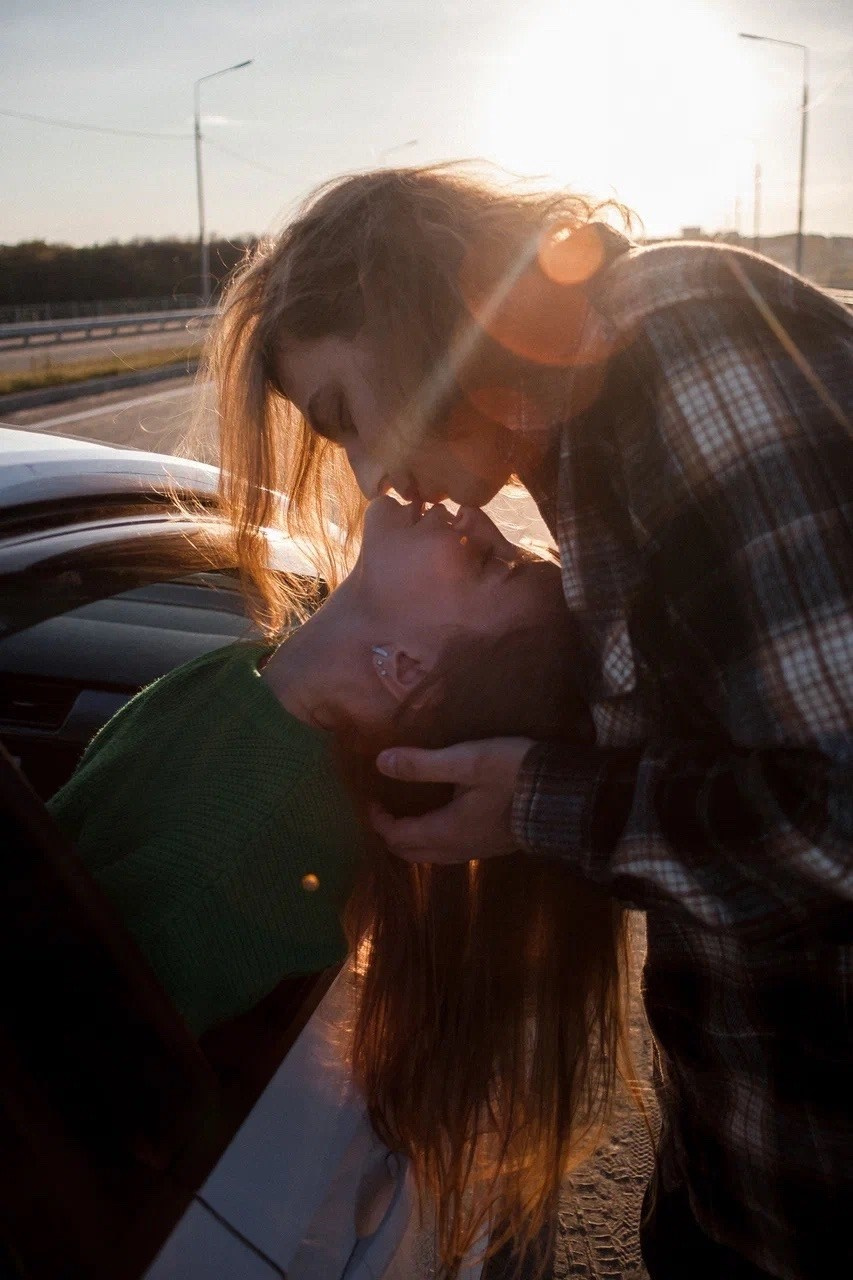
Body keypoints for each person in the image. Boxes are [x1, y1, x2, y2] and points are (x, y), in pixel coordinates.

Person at [206, 165, 853, 1280]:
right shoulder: (590, 435)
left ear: (402, 309)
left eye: (344, 415)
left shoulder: (688, 354)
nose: (368, 477)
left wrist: (541, 804)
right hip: (757, 1177)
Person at [49, 494, 626, 1274]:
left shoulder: (238, 858)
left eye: (489, 562)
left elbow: (61, 1087)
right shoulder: (266, 682)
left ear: (408, 670)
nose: (480, 516)